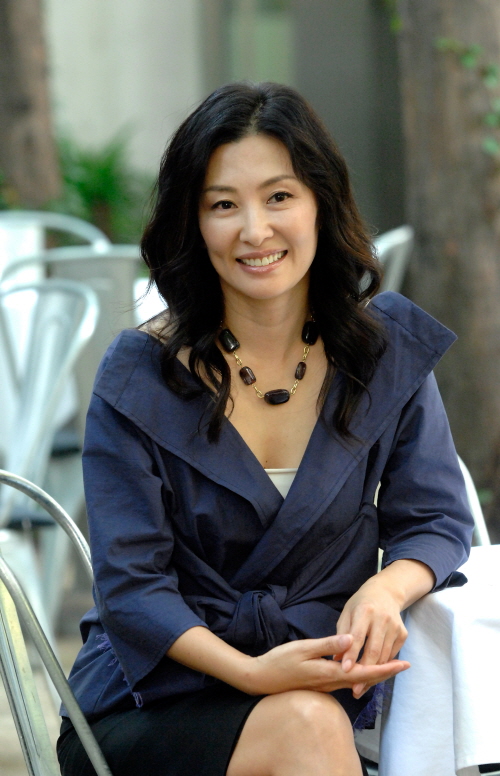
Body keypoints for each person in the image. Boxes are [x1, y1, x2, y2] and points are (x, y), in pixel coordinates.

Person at [57, 82, 474, 776]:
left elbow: (435, 518)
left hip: (321, 677)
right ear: (195, 223)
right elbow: (133, 589)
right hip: (150, 700)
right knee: (307, 725)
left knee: (323, 723)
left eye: (279, 196)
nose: (254, 231)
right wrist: (254, 674)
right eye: (224, 205)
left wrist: (384, 589)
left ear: (320, 203)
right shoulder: (138, 375)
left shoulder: (381, 353)